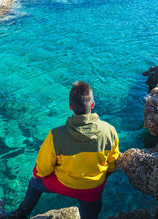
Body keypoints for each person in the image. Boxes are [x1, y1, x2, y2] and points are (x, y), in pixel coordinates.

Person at [8, 81, 120, 219]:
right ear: (93, 104)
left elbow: (43, 168)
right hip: (92, 188)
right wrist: (100, 179)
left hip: (63, 184)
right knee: (92, 208)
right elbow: (112, 164)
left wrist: (36, 174)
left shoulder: (56, 135)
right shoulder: (110, 131)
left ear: (70, 106)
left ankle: (21, 214)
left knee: (34, 184)